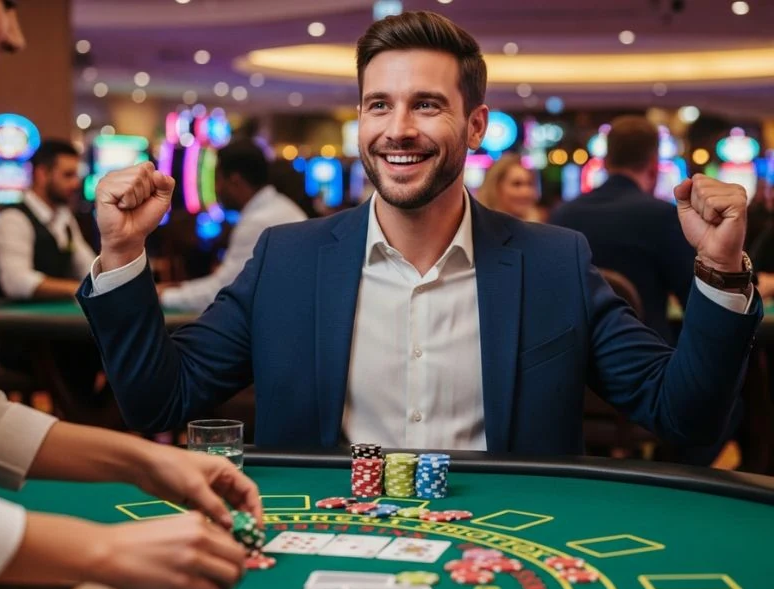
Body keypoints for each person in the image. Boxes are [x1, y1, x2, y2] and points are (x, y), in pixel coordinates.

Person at [78, 11, 760, 454]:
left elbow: (684, 418)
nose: (398, 129)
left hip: (503, 554)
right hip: (325, 550)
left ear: (475, 126)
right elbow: (160, 400)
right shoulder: (288, 259)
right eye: (379, 105)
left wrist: (722, 272)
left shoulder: (555, 262)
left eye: (426, 105)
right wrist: (123, 251)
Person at [0, 2, 260, 589]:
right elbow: (23, 283)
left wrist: (147, 461)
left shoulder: (66, 223)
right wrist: (101, 549)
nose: (18, 37)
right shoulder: (12, 219)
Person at [550, 116, 695, 344]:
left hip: (576, 355)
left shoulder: (563, 214)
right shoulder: (663, 215)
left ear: (605, 161)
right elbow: (694, 300)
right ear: (654, 164)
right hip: (646, 352)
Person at [159, 139, 306, 313]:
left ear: (235, 181)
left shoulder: (258, 222)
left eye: (218, 180)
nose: (215, 189)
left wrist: (163, 296)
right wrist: (180, 288)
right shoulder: (279, 206)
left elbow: (225, 292)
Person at [0, 140, 95, 300]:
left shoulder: (64, 217)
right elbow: (15, 282)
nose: (76, 184)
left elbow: (87, 266)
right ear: (42, 174)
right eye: (68, 175)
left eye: (76, 176)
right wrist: (78, 289)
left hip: (55, 313)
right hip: (14, 315)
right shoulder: (12, 218)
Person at [478, 153, 542, 222]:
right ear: (496, 187)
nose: (526, 192)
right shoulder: (478, 224)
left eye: (530, 184)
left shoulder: (539, 225)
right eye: (516, 184)